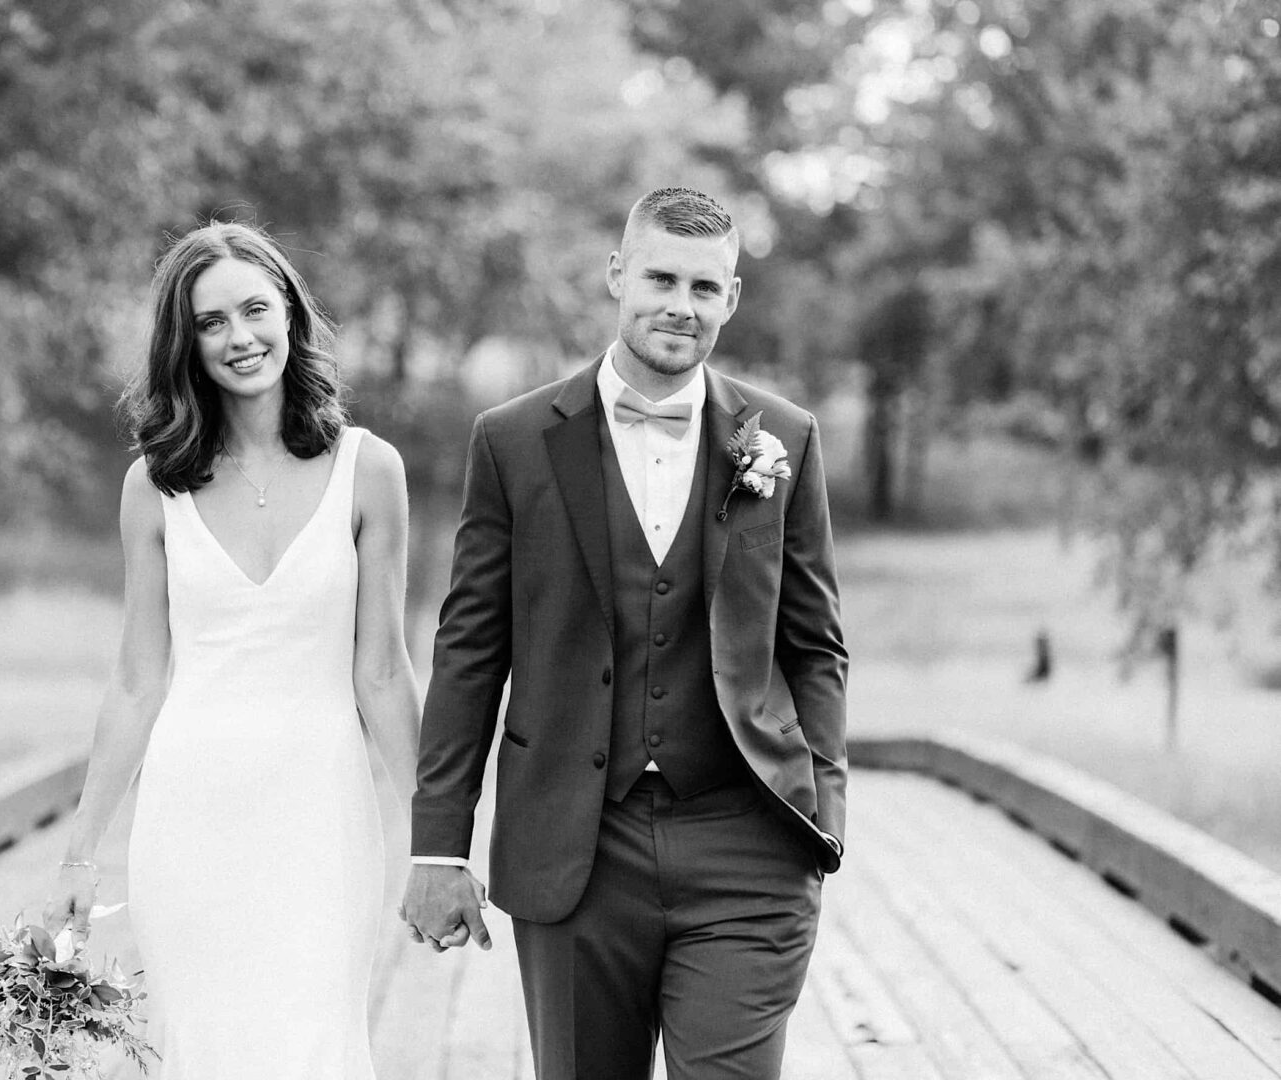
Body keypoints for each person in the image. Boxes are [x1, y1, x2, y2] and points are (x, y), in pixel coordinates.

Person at [401, 187, 848, 1080]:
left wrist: (820, 810)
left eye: (706, 287)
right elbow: (470, 651)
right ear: (617, 275)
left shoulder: (783, 439)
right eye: (661, 278)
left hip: (747, 846)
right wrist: (440, 845)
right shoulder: (514, 441)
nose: (682, 306)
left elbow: (815, 643)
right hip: (575, 846)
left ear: (730, 299)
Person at [44, 221, 420, 1079]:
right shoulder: (154, 483)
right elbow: (139, 679)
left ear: (289, 311)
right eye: (211, 322)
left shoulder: (370, 471)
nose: (240, 337)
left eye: (255, 309)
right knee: (206, 1052)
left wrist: (443, 841)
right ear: (186, 342)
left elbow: (384, 672)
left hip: (322, 813)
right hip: (190, 816)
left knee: (319, 1048)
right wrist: (80, 852)